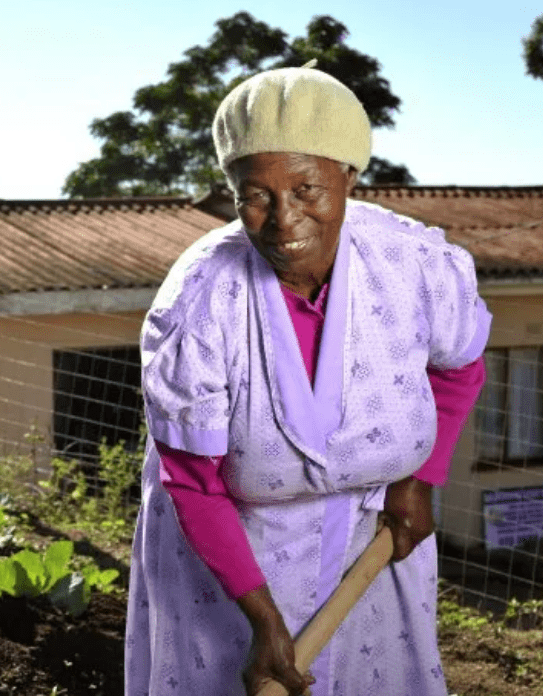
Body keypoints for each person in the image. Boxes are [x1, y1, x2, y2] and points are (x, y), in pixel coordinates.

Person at [125, 63, 491, 696]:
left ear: (349, 177)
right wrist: (263, 619)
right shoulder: (203, 299)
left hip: (367, 546)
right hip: (232, 561)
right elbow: (194, 480)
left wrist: (418, 480)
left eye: (307, 189)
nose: (283, 219)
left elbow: (460, 365)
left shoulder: (414, 264)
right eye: (255, 195)